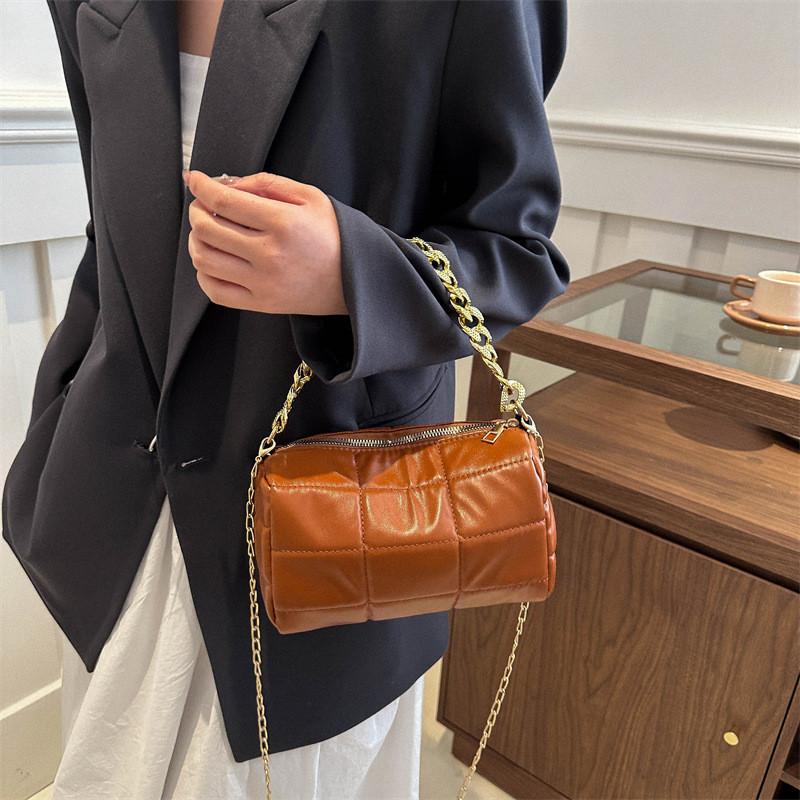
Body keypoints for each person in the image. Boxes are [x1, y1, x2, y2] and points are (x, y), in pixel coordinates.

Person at [2, 0, 570, 797]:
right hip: (115, 515)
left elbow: (517, 248)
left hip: (326, 534)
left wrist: (348, 273)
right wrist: (58, 403)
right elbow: (111, 222)